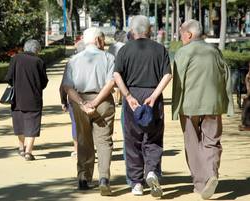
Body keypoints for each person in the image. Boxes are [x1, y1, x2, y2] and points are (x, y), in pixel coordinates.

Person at [172, 19, 234, 200]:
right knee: (212, 141)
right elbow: (226, 77)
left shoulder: (183, 53)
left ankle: (200, 183)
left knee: (192, 144)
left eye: (181, 32)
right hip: (214, 105)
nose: (180, 35)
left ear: (188, 34)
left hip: (189, 106)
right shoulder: (215, 51)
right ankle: (212, 173)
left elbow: (179, 83)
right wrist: (227, 104)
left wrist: (175, 108)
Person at [113, 15, 172, 197]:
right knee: (153, 136)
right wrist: (155, 95)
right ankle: (152, 171)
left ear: (132, 31)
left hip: (133, 95)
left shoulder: (124, 50)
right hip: (153, 95)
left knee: (132, 139)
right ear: (150, 30)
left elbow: (116, 75)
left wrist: (128, 96)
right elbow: (168, 75)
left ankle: (136, 182)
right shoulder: (160, 49)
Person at [60, 27, 115, 196]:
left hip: (79, 102)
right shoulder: (108, 57)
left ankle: (83, 178)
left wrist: (84, 103)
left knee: (83, 139)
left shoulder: (74, 60)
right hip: (103, 101)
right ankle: (104, 178)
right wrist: (96, 102)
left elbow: (67, 86)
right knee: (104, 141)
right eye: (103, 39)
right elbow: (111, 83)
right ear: (99, 40)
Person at [5, 39, 48, 161]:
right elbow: (44, 82)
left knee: (19, 123)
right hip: (33, 98)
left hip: (17, 98)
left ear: (25, 48)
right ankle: (28, 152)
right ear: (37, 50)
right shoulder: (39, 61)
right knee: (32, 124)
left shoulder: (15, 58)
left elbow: (8, 78)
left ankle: (21, 148)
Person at [108, 30, 127, 106]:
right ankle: (121, 99)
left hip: (113, 65)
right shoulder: (125, 46)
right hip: (123, 66)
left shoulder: (112, 46)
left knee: (115, 83)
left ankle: (116, 100)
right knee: (122, 82)